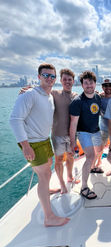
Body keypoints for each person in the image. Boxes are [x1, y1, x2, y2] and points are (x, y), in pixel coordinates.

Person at [9, 63, 69, 227]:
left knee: (46, 171)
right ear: (39, 77)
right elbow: (15, 120)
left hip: (44, 139)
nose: (49, 78)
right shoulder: (30, 94)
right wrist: (26, 146)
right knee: (44, 176)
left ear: (55, 79)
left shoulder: (49, 96)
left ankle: (45, 190)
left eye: (52, 76)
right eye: (46, 75)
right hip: (33, 142)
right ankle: (49, 217)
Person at [69, 71, 102, 199]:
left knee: (99, 151)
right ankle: (83, 187)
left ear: (95, 83)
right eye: (86, 83)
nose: (89, 85)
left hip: (96, 130)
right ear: (82, 85)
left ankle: (93, 167)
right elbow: (73, 124)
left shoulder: (97, 97)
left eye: (91, 82)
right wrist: (72, 143)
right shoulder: (77, 102)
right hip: (84, 132)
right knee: (90, 156)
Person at [51, 69, 79, 194]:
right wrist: (27, 89)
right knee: (59, 159)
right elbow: (39, 92)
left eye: (69, 79)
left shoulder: (76, 96)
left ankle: (70, 177)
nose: (67, 82)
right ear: (60, 81)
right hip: (58, 134)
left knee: (71, 156)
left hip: (72, 135)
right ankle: (62, 183)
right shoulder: (54, 94)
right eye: (65, 79)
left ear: (73, 81)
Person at [95, 78, 111, 169]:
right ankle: (99, 160)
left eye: (110, 85)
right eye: (105, 86)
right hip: (104, 128)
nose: (108, 87)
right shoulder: (99, 98)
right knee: (99, 148)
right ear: (102, 87)